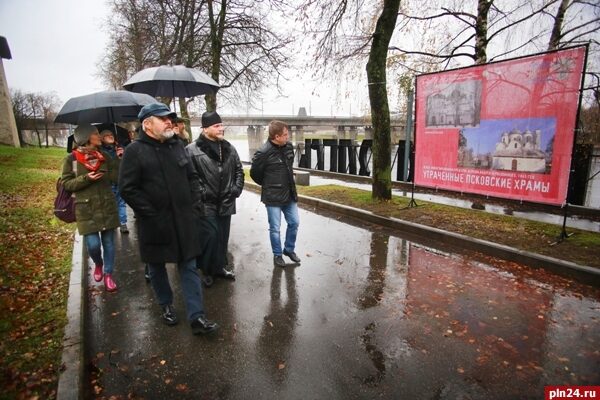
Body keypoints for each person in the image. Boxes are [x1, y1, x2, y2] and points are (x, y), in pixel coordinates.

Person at [119, 102, 218, 335]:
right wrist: (150, 213)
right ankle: (166, 305)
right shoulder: (134, 151)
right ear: (147, 124)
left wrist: (194, 205)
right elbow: (128, 189)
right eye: (163, 119)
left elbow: (192, 177)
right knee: (156, 266)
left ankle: (197, 317)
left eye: (170, 119)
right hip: (155, 223)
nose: (169, 122)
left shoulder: (177, 146)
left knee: (189, 266)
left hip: (184, 221)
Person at [186, 111, 244, 287]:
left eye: (221, 125)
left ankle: (219, 267)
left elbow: (239, 170)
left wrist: (236, 189)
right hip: (206, 203)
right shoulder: (191, 150)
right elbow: (189, 176)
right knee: (210, 236)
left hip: (227, 200)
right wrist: (201, 193)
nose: (221, 128)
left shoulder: (229, 148)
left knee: (222, 237)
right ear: (205, 129)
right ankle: (207, 270)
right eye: (216, 126)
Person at [60, 124, 120, 291]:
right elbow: (66, 184)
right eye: (96, 133)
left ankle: (108, 274)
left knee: (109, 243)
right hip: (85, 209)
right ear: (86, 137)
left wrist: (118, 158)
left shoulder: (104, 156)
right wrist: (87, 178)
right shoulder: (71, 159)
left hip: (107, 205)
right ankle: (98, 263)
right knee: (93, 245)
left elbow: (116, 178)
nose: (99, 136)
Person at [250, 120, 301, 268]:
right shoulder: (263, 152)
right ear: (276, 137)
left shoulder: (288, 147)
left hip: (289, 193)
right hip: (272, 197)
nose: (288, 136)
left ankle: (289, 249)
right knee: (275, 228)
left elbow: (289, 166)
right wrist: (268, 185)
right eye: (285, 134)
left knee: (294, 222)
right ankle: (277, 255)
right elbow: (254, 174)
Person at [99, 130, 129, 234]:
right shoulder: (100, 152)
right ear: (102, 139)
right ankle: (112, 223)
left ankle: (123, 223)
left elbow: (126, 164)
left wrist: (122, 155)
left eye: (111, 135)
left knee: (121, 203)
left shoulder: (119, 148)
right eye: (107, 135)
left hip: (120, 181)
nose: (110, 136)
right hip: (108, 183)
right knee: (110, 204)